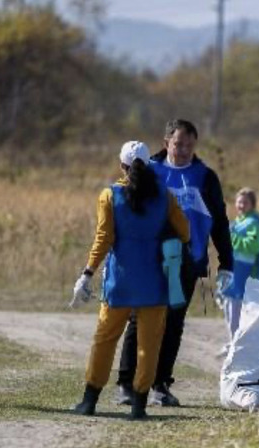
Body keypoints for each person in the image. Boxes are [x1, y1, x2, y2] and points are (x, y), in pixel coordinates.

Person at [115, 119, 234, 407]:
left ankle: (160, 384)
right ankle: (126, 384)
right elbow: (126, 207)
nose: (183, 150)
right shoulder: (150, 171)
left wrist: (226, 262)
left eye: (189, 145)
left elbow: (219, 221)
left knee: (174, 323)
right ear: (166, 142)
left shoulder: (205, 177)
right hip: (149, 260)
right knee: (138, 318)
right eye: (178, 144)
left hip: (187, 262)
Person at [71, 141, 190, 419]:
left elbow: (104, 239)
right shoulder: (165, 196)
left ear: (122, 166)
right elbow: (184, 232)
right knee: (148, 346)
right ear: (149, 165)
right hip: (154, 284)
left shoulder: (109, 196)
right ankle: (138, 406)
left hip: (119, 283)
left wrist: (87, 273)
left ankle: (89, 401)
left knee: (105, 340)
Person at [220, 188, 259, 340]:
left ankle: (237, 346)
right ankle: (232, 343)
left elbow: (254, 246)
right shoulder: (237, 222)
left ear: (252, 205)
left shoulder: (253, 223)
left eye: (245, 202)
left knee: (238, 312)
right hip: (232, 273)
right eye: (239, 201)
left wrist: (232, 240)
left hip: (245, 274)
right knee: (228, 309)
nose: (241, 205)